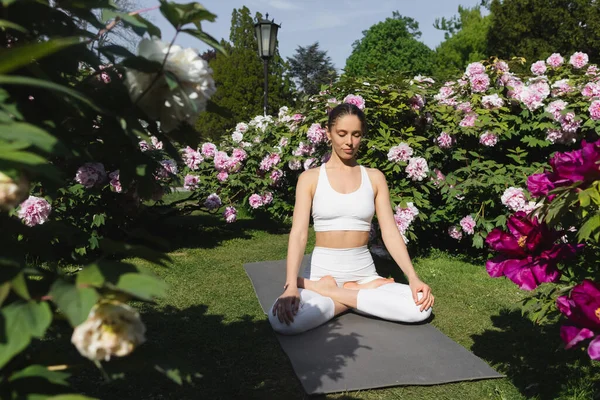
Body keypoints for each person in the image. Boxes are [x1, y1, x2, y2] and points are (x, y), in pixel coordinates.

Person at [269, 103, 435, 335]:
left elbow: (390, 232)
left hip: (364, 274)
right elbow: (298, 233)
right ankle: (349, 294)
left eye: (356, 135)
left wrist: (414, 277)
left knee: (420, 309)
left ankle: (333, 292)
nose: (349, 142)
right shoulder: (310, 178)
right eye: (342, 134)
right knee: (282, 321)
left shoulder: (375, 178)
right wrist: (290, 287)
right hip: (320, 271)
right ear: (328, 134)